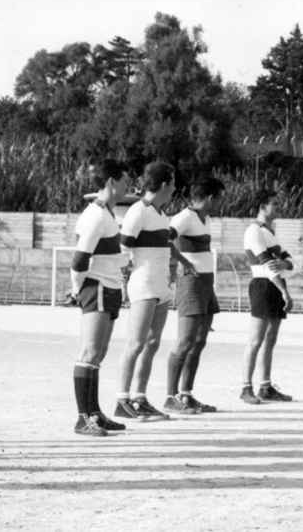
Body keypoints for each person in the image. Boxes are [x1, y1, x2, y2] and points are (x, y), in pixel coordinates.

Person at [113, 161, 195, 422]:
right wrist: (123, 279)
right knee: (135, 344)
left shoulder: (162, 214)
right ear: (163, 184)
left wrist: (183, 262)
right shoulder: (138, 211)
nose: (174, 188)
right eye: (172, 183)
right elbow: (122, 247)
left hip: (161, 285)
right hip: (144, 284)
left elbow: (166, 245)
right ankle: (121, 399)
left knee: (151, 343)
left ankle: (140, 397)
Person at [70, 159, 132, 436]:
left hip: (109, 287)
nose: (128, 186)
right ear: (111, 182)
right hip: (95, 287)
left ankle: (94, 412)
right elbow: (80, 259)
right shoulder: (95, 215)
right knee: (89, 351)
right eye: (125, 181)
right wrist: (76, 289)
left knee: (99, 353)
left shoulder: (107, 213)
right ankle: (83, 417)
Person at [165, 176, 225, 414]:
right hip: (190, 284)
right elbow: (164, 239)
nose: (221, 203)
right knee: (184, 341)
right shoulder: (185, 217)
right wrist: (182, 262)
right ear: (210, 197)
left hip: (206, 283)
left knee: (199, 341)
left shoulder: (205, 218)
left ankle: (186, 394)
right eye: (220, 198)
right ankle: (170, 396)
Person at [240, 189, 295, 404]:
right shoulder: (253, 231)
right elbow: (268, 265)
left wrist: (285, 265)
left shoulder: (269, 231)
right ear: (262, 206)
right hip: (264, 285)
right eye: (274, 203)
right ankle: (246, 387)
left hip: (274, 285)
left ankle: (265, 385)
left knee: (270, 340)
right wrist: (284, 291)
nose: (278, 207)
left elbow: (289, 262)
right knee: (255, 340)